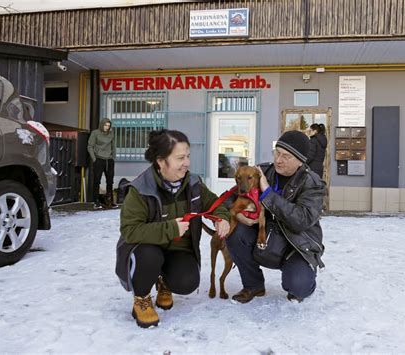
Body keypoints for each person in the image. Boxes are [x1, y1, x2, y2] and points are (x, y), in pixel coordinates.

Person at [116, 129, 230, 328]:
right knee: (150, 256)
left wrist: (221, 218)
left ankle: (164, 282)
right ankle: (141, 299)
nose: (186, 163)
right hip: (147, 250)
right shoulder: (140, 190)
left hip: (177, 250)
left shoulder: (194, 184)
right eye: (180, 158)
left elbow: (215, 203)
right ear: (161, 161)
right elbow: (130, 231)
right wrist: (169, 228)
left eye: (187, 156)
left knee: (187, 281)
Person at [225, 130, 326, 304]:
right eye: (277, 153)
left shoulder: (313, 184)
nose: (278, 160)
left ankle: (300, 281)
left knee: (299, 286)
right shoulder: (261, 171)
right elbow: (227, 199)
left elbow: (301, 219)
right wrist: (238, 215)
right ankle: (253, 285)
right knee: (235, 234)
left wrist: (267, 193)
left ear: (300, 161)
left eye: (286, 156)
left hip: (296, 246)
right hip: (265, 239)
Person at [87, 118, 117, 209]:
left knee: (110, 181)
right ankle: (96, 202)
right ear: (102, 125)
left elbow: (113, 146)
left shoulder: (111, 134)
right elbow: (90, 146)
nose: (107, 127)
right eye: (105, 125)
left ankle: (110, 201)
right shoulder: (95, 133)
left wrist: (113, 157)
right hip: (99, 159)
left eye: (108, 126)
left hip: (109, 160)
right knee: (97, 180)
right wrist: (94, 159)